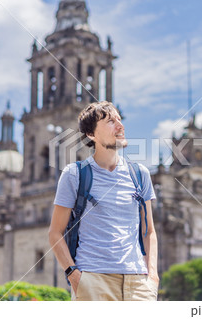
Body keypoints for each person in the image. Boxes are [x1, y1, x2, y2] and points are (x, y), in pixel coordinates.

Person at [48, 101, 159, 301]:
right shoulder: (74, 174)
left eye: (119, 119)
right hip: (93, 280)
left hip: (138, 283)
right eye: (110, 121)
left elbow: (148, 230)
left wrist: (152, 275)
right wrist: (74, 275)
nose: (120, 125)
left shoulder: (140, 174)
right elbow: (55, 232)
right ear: (92, 134)